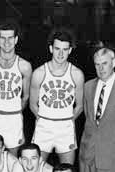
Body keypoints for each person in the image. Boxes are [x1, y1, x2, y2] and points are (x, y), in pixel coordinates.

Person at [30, 27, 84, 164]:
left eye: (65, 50)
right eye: (57, 49)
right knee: (37, 170)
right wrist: (45, 119)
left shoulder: (76, 74)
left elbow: (80, 106)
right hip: (44, 127)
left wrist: (67, 120)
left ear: (70, 50)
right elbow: (32, 104)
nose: (60, 54)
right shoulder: (39, 73)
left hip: (65, 128)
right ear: (50, 49)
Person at [0, 18, 32, 156]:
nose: (6, 42)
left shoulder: (24, 66)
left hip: (13, 119)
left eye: (10, 38)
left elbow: (26, 96)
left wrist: (12, 109)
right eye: (3, 38)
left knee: (13, 160)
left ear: (16, 39)